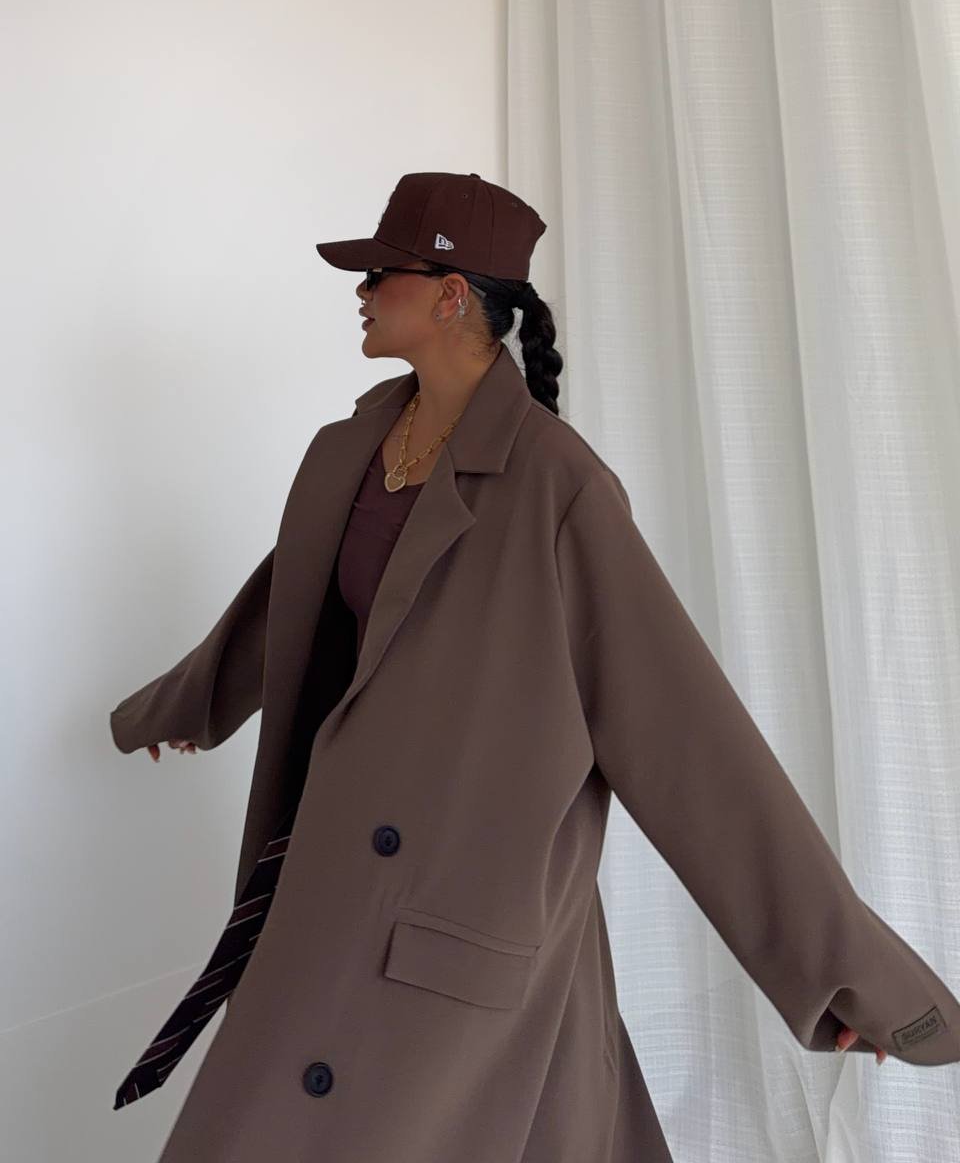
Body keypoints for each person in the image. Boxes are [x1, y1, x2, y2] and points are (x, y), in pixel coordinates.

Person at [110, 172, 957, 1162]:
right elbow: (292, 602)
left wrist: (847, 976)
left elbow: (689, 740)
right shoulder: (350, 447)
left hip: (456, 915)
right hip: (330, 875)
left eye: (381, 272)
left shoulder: (560, 486)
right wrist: (188, 705)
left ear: (450, 294)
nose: (361, 291)